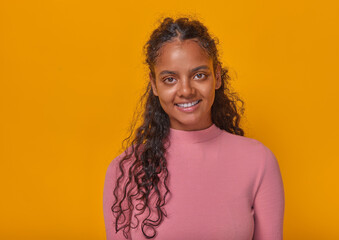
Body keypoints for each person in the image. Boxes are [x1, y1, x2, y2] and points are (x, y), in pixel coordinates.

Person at [103, 17, 285, 240]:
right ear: (154, 85)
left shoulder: (259, 162)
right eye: (170, 79)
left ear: (217, 76)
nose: (186, 90)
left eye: (199, 75)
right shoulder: (126, 170)